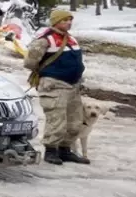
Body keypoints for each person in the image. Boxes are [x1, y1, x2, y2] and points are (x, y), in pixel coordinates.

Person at [23, 9, 89, 165]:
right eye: (65, 20)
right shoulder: (45, 40)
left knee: (75, 122)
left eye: (70, 20)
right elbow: (30, 62)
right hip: (54, 85)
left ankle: (65, 150)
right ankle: (51, 151)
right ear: (55, 22)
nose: (68, 22)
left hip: (73, 85)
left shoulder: (71, 39)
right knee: (57, 120)